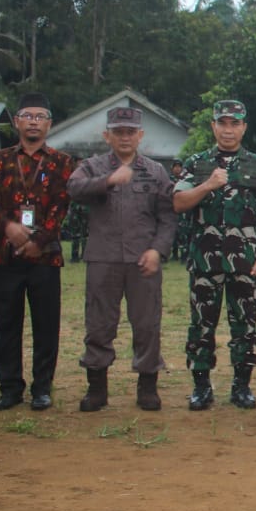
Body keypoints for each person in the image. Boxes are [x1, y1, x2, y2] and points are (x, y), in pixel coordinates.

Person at [67, 107, 177, 412]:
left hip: (144, 260)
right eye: (118, 132)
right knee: (99, 324)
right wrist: (107, 180)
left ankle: (147, 386)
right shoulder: (92, 166)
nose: (125, 137)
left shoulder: (155, 171)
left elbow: (167, 217)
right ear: (107, 135)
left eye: (131, 132)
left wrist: (158, 250)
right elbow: (73, 189)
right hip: (104, 258)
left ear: (140, 135)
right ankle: (97, 388)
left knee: (146, 324)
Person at [172, 99, 256, 410]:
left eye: (235, 123)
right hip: (205, 260)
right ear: (213, 126)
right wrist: (207, 185)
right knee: (202, 325)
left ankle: (241, 385)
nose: (228, 129)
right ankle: (201, 386)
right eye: (223, 123)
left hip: (246, 260)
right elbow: (178, 203)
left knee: (245, 324)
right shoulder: (196, 163)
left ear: (244, 127)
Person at [0, 93, 75, 411]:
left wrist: (38, 240)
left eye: (40, 116)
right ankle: (9, 388)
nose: (33, 121)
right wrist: (9, 228)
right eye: (27, 115)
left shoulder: (62, 162)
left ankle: (42, 388)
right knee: (7, 324)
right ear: (16, 122)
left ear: (49, 123)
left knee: (46, 325)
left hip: (45, 257)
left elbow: (62, 203)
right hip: (6, 256)